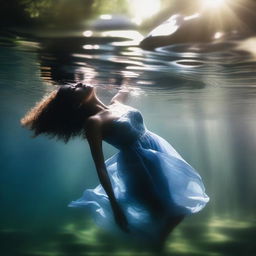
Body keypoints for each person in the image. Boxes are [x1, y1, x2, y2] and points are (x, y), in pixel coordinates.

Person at [21, 82, 209, 247]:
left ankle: (156, 243)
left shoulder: (116, 103)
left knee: (171, 208)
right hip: (139, 167)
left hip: (158, 154)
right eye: (74, 89)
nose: (79, 83)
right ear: (76, 102)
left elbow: (127, 82)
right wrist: (114, 204)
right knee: (165, 210)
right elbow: (100, 166)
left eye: (75, 83)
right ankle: (156, 244)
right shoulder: (94, 123)